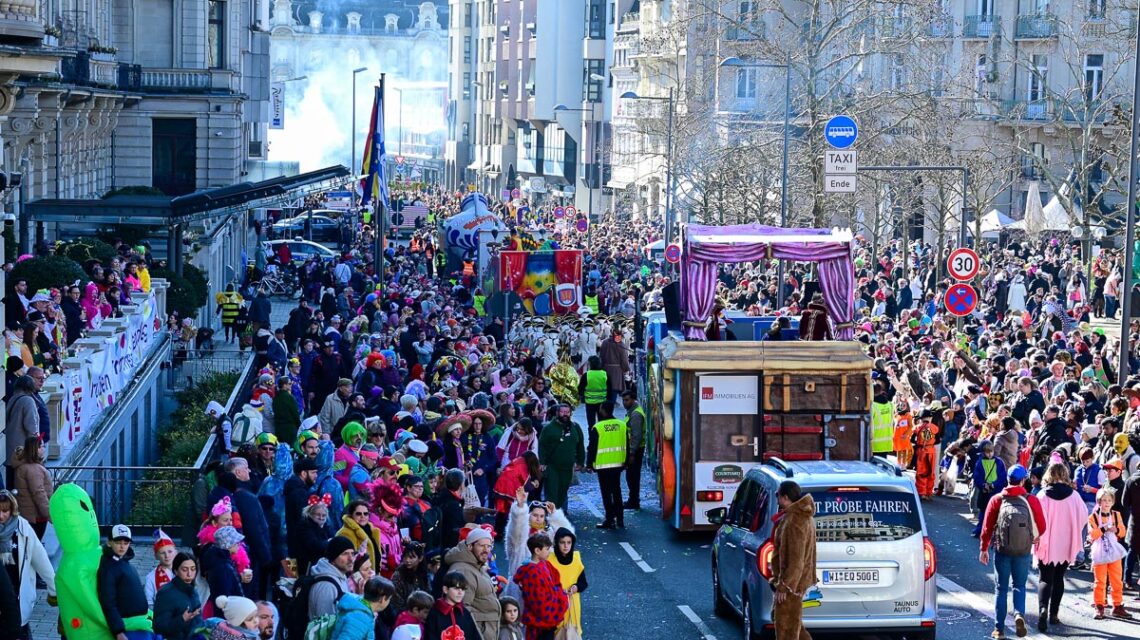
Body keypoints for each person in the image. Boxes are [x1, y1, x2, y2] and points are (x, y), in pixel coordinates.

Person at [979, 464, 1047, 639]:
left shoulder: (997, 499)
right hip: (1023, 550)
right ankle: (1018, 614)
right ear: (1023, 480)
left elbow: (986, 527)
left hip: (1002, 549)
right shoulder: (1030, 500)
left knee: (1001, 588)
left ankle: (999, 629)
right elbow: (1043, 526)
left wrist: (983, 548)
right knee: (1019, 586)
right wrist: (1033, 536)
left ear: (1008, 479)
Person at [1033, 462, 1086, 631]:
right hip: (1065, 543)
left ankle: (1043, 609)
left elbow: (1035, 518)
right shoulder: (1075, 496)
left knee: (1045, 578)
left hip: (1047, 542)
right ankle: (1054, 614)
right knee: (1059, 578)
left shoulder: (1042, 495)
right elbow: (1084, 516)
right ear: (1065, 475)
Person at [0, 489, 56, 638]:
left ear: (12, 509)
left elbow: (41, 559)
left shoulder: (22, 527)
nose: (1, 515)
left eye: (5, 510)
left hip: (18, 599)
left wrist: (54, 590)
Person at [770, 480, 816, 640]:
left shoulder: (795, 520)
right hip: (795, 582)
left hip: (792, 584)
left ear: (785, 497)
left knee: (786, 628)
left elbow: (796, 560)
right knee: (794, 625)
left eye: (778, 495)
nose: (777, 499)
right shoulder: (801, 516)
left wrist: (785, 587)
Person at [97, 524, 154, 640]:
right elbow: (108, 602)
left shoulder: (122, 562)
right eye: (118, 542)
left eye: (126, 543)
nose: (122, 547)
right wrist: (118, 631)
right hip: (129, 628)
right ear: (109, 542)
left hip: (140, 624)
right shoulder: (109, 568)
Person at [444, 525, 501, 640]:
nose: (486, 550)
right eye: (482, 546)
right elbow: (463, 611)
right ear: (470, 546)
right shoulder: (464, 570)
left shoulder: (477, 566)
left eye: (489, 546)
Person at [505, 486, 573, 580]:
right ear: (528, 515)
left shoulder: (549, 532)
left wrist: (555, 515)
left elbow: (567, 537)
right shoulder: (521, 537)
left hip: (544, 582)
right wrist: (520, 508)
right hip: (521, 585)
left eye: (541, 516)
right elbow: (515, 528)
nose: (538, 519)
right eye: (535, 515)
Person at [511, 533, 569, 640]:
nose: (549, 551)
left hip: (545, 623)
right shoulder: (533, 573)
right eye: (547, 549)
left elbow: (556, 581)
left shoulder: (544, 564)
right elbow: (539, 604)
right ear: (537, 551)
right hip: (540, 624)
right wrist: (562, 599)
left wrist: (557, 593)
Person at [1089, 487, 1132, 619]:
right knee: (1100, 581)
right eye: (1104, 500)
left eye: (1109, 500)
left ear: (1112, 502)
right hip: (1099, 551)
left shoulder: (1116, 515)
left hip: (1114, 551)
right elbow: (1092, 534)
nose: (1106, 503)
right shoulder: (1093, 517)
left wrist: (1117, 529)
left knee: (1116, 580)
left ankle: (1117, 606)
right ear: (1099, 502)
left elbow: (1123, 532)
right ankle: (1099, 606)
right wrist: (1104, 528)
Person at [588, 401, 628, 529]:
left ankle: (609, 519)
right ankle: (620, 519)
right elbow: (627, 444)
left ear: (602, 410)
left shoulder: (598, 427)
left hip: (602, 465)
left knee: (606, 493)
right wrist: (625, 462)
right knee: (617, 491)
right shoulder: (622, 425)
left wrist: (589, 464)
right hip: (618, 464)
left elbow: (592, 448)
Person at [538, 404, 585, 511]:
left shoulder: (575, 427)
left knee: (563, 493)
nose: (565, 414)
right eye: (562, 412)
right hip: (552, 467)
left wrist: (580, 462)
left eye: (567, 412)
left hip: (568, 468)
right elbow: (542, 446)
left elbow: (580, 445)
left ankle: (559, 516)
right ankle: (550, 518)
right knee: (552, 494)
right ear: (557, 413)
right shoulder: (548, 428)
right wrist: (542, 463)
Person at [152, 553, 204, 640]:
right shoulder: (166, 593)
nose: (189, 574)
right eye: (184, 569)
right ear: (176, 571)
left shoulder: (193, 590)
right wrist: (182, 619)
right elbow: (158, 627)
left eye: (193, 569)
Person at [11, 436, 52, 539]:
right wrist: (50, 515)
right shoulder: (34, 469)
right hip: (36, 517)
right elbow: (39, 494)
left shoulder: (25, 466)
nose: (44, 448)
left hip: (27, 514)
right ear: (36, 449)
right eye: (42, 446)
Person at [331, 575, 396, 640]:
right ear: (382, 599)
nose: (389, 602)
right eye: (389, 599)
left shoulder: (361, 609)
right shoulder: (360, 618)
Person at [423, 571, 482, 640]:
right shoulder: (435, 614)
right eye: (456, 588)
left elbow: (474, 637)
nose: (460, 592)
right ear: (445, 589)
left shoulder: (465, 613)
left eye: (463, 589)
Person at [307, 535, 355, 619]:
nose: (351, 559)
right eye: (345, 554)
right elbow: (326, 627)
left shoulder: (340, 576)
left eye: (352, 553)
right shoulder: (327, 586)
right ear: (333, 559)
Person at [552, 527, 586, 636]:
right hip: (555, 604)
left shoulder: (576, 558)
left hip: (572, 604)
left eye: (569, 542)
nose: (566, 546)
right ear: (557, 543)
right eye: (562, 542)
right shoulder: (549, 560)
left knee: (572, 634)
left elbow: (583, 583)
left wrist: (576, 587)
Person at [621, 390, 646, 510]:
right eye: (623, 400)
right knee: (631, 476)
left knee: (633, 477)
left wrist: (631, 453)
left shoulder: (635, 414)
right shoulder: (632, 412)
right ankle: (633, 500)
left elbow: (636, 435)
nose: (624, 402)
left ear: (633, 400)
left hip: (635, 450)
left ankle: (634, 501)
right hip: (635, 449)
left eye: (627, 400)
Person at [578, 355, 608, 427]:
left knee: (591, 423)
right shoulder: (604, 374)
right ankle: (601, 437)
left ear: (590, 364)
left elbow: (580, 389)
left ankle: (592, 437)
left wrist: (580, 397)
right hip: (602, 402)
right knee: (602, 422)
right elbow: (609, 388)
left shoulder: (586, 375)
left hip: (590, 402)